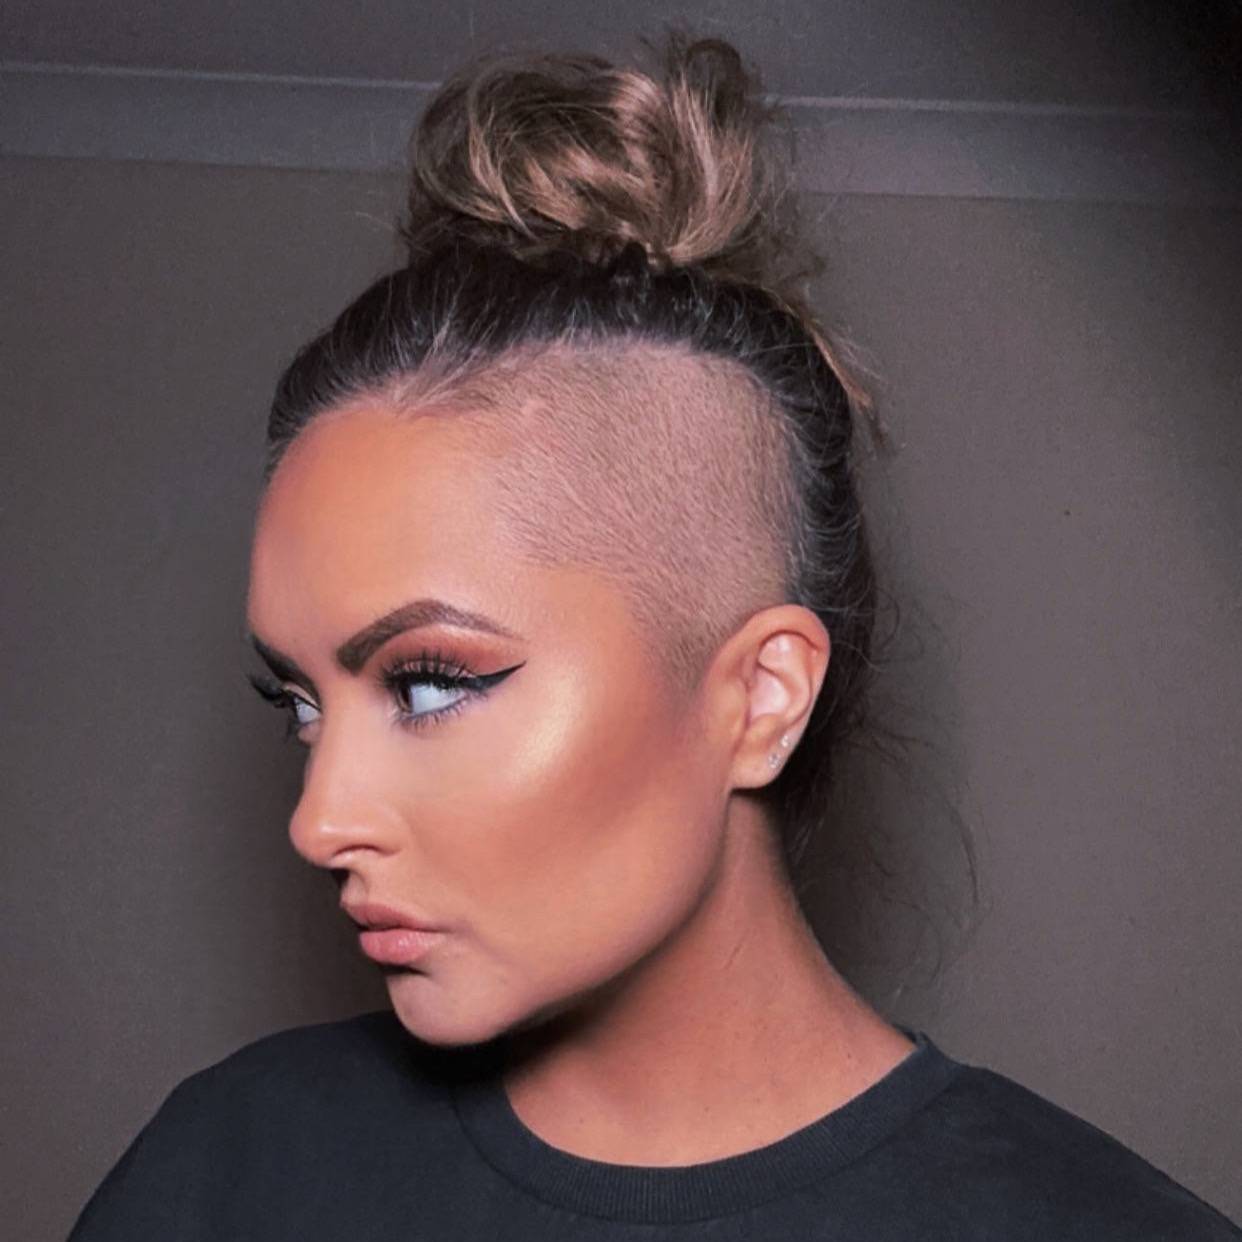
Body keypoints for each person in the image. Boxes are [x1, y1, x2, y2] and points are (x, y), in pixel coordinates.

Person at [67, 32, 1238, 1242]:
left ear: (760, 698)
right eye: (303, 706)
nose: (318, 823)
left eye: (428, 686)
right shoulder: (229, 1165)